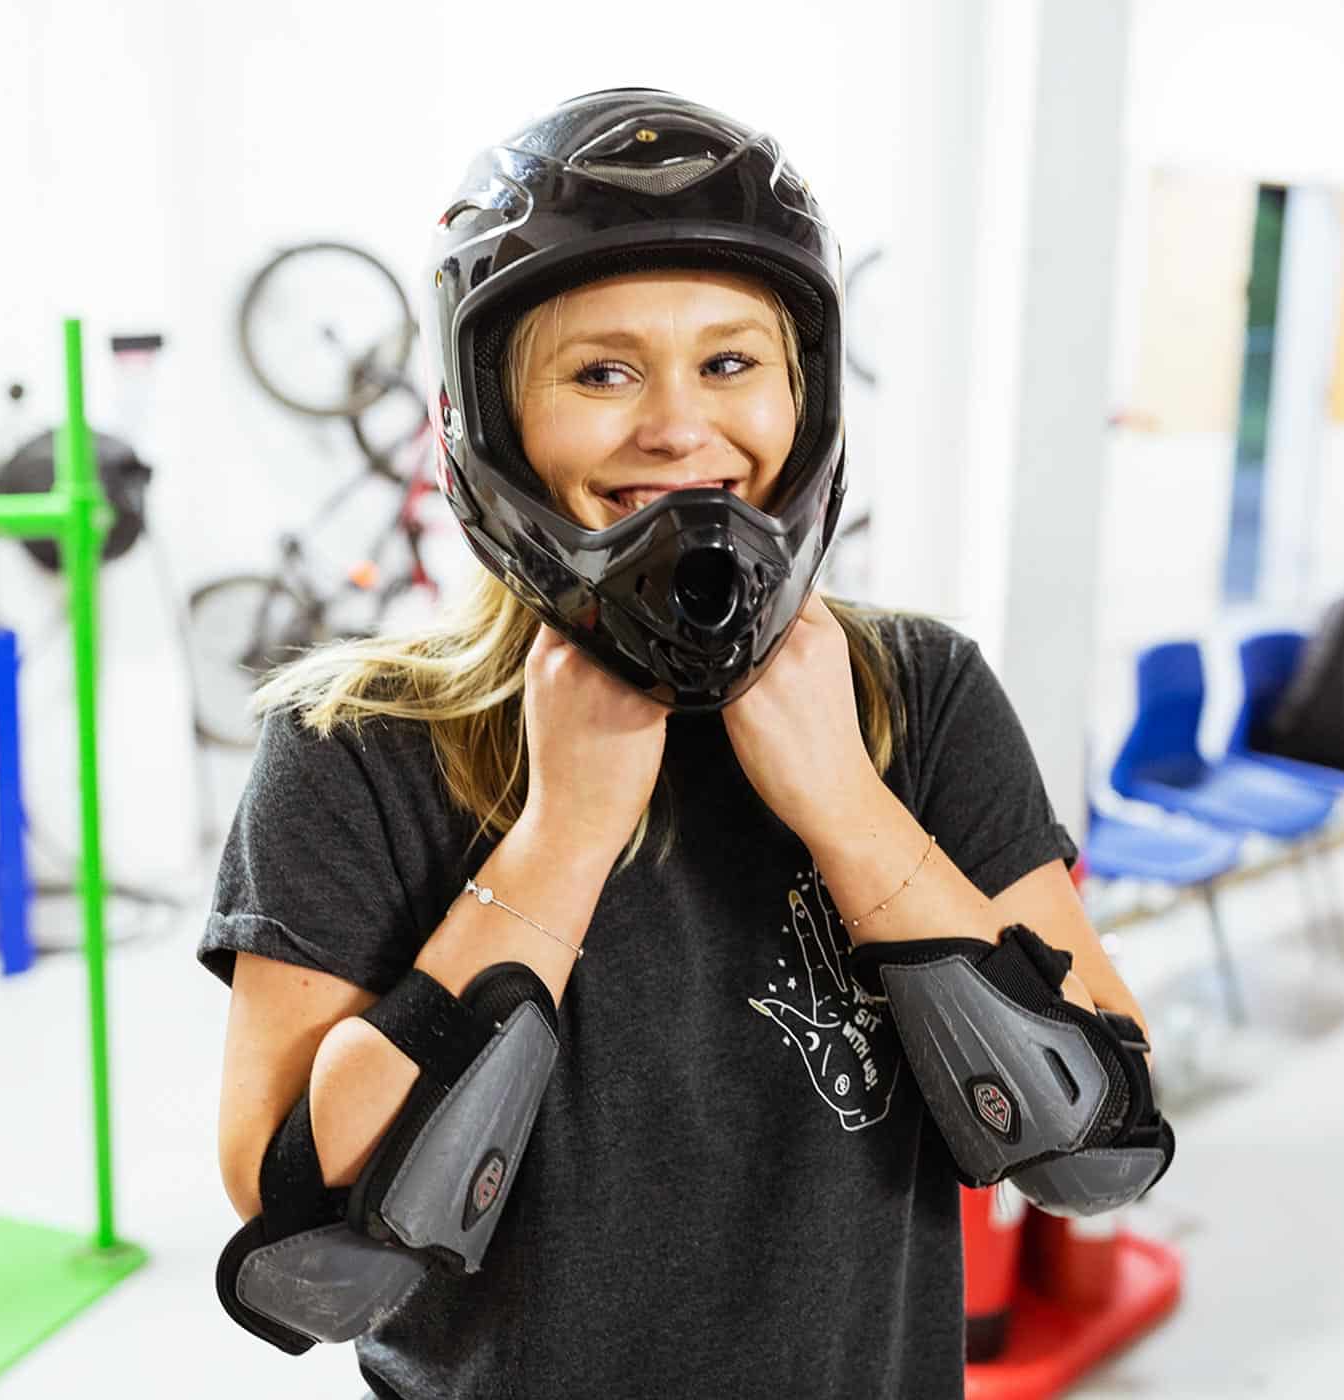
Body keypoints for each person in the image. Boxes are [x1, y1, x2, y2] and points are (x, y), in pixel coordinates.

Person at [199, 89, 1171, 1400]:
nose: (676, 425)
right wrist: (559, 841)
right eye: (601, 371)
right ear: (491, 420)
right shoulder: (355, 746)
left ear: (802, 394)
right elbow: (314, 1253)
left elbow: (1093, 1144)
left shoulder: (922, 695)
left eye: (730, 363)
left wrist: (844, 802)